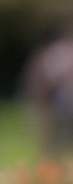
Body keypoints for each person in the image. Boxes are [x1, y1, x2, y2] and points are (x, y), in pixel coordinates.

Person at [26, 26, 73, 155]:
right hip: (56, 101)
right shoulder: (57, 52)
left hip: (60, 102)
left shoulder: (56, 52)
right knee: (53, 136)